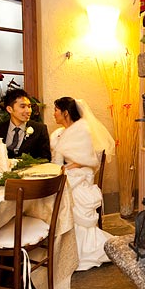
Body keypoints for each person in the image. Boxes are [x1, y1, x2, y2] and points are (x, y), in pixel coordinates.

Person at [50, 96, 116, 271]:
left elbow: (85, 160)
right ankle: (57, 244)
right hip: (67, 171)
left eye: (56, 110)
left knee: (67, 190)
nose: (53, 114)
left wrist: (66, 169)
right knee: (55, 188)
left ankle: (80, 249)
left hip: (81, 173)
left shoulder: (82, 130)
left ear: (65, 113)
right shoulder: (58, 133)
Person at [0, 88, 51, 160]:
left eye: (29, 106)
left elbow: (45, 159)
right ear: (10, 109)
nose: (28, 111)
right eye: (23, 107)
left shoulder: (39, 129)